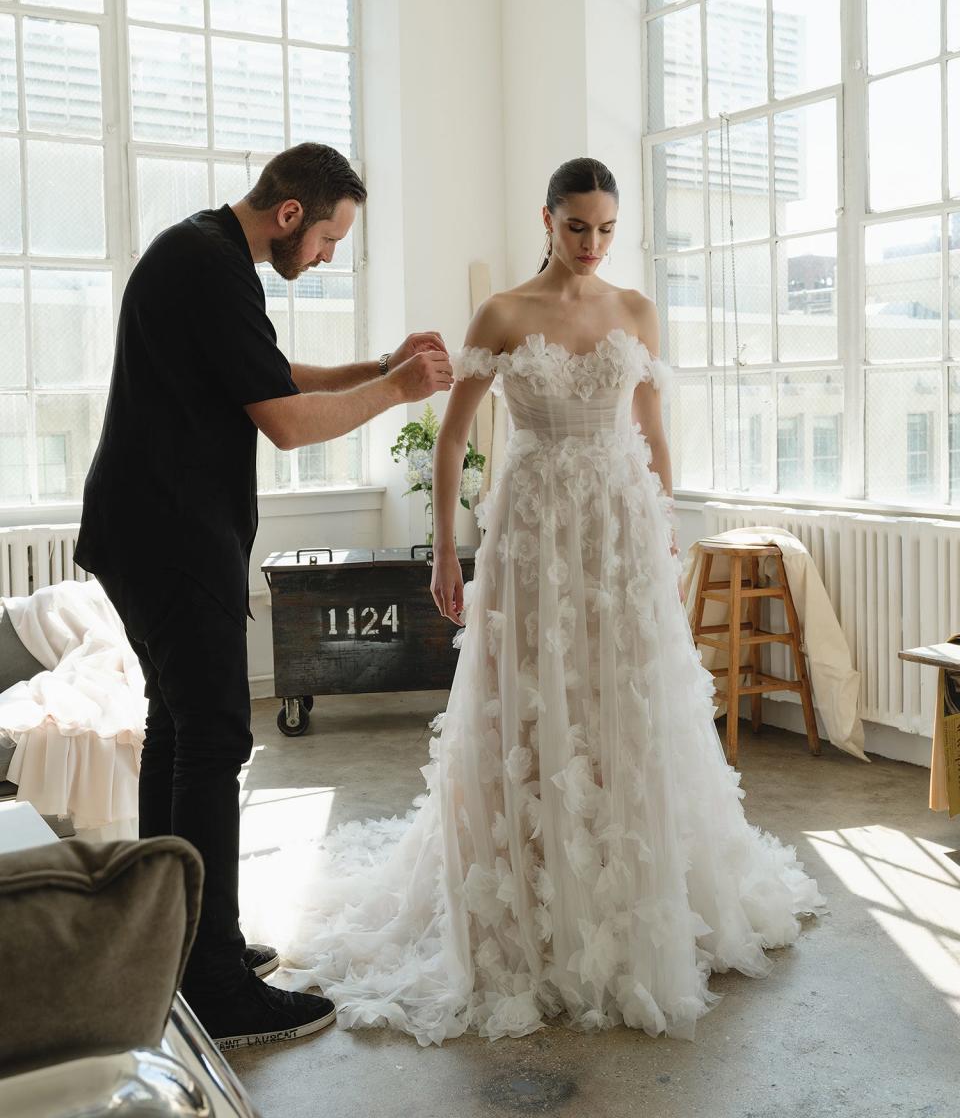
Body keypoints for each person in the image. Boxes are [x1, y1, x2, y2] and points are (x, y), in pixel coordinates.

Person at [262, 156, 827, 1046]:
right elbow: (452, 440)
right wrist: (445, 552)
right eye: (577, 227)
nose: (593, 245)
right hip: (530, 533)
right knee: (526, 699)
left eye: (606, 228)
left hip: (618, 528)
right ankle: (529, 891)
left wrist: (663, 523)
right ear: (547, 218)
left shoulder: (636, 311)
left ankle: (627, 882)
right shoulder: (505, 314)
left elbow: (651, 431)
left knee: (624, 701)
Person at [74, 142, 454, 1048]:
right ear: (291, 214)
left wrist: (376, 364)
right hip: (167, 536)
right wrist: (399, 390)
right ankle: (212, 985)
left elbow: (274, 379)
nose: (326, 256)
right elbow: (286, 424)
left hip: (146, 530)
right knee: (214, 737)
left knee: (178, 730)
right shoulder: (209, 264)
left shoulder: (205, 254)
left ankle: (180, 940)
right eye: (329, 238)